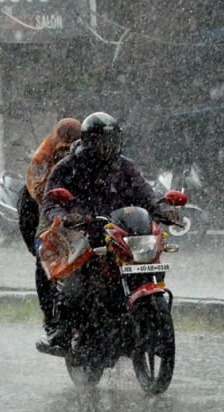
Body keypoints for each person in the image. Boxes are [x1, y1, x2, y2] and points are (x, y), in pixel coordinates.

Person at [36, 112, 180, 352]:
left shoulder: (125, 166)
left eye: (112, 140)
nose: (108, 146)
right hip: (85, 235)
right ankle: (62, 331)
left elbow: (145, 195)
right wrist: (66, 217)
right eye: (103, 141)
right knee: (77, 284)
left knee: (145, 262)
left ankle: (138, 320)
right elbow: (52, 202)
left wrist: (163, 211)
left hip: (123, 234)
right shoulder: (68, 167)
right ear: (90, 141)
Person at [17, 118, 81, 345]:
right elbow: (37, 191)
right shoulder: (42, 159)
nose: (67, 154)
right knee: (45, 261)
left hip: (85, 213)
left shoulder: (89, 154)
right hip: (50, 211)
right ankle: (52, 320)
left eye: (71, 148)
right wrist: (57, 208)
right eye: (63, 149)